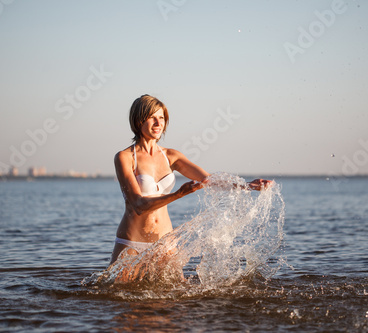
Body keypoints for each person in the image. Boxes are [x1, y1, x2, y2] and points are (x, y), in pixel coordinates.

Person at [110, 94, 272, 264]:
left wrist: (247, 185)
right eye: (152, 118)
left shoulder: (171, 156)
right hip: (131, 243)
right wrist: (178, 194)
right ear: (138, 121)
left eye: (162, 118)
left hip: (165, 243)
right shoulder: (125, 157)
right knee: (112, 291)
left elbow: (209, 179)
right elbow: (138, 205)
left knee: (179, 290)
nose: (158, 124)